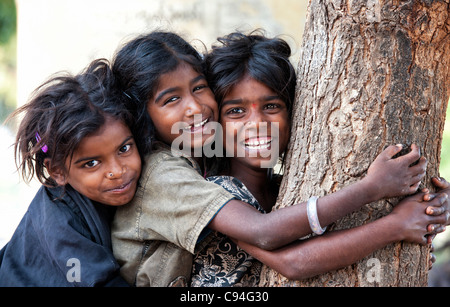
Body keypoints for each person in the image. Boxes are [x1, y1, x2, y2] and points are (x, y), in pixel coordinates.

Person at [111, 31, 436, 287]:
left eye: (272, 106)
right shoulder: (212, 187)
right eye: (236, 111)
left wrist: (428, 204)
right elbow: (290, 259)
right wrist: (390, 215)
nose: (256, 123)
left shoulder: (288, 189)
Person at [0, 59, 143, 286]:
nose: (117, 171)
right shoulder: (60, 222)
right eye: (91, 163)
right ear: (58, 172)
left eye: (124, 149)